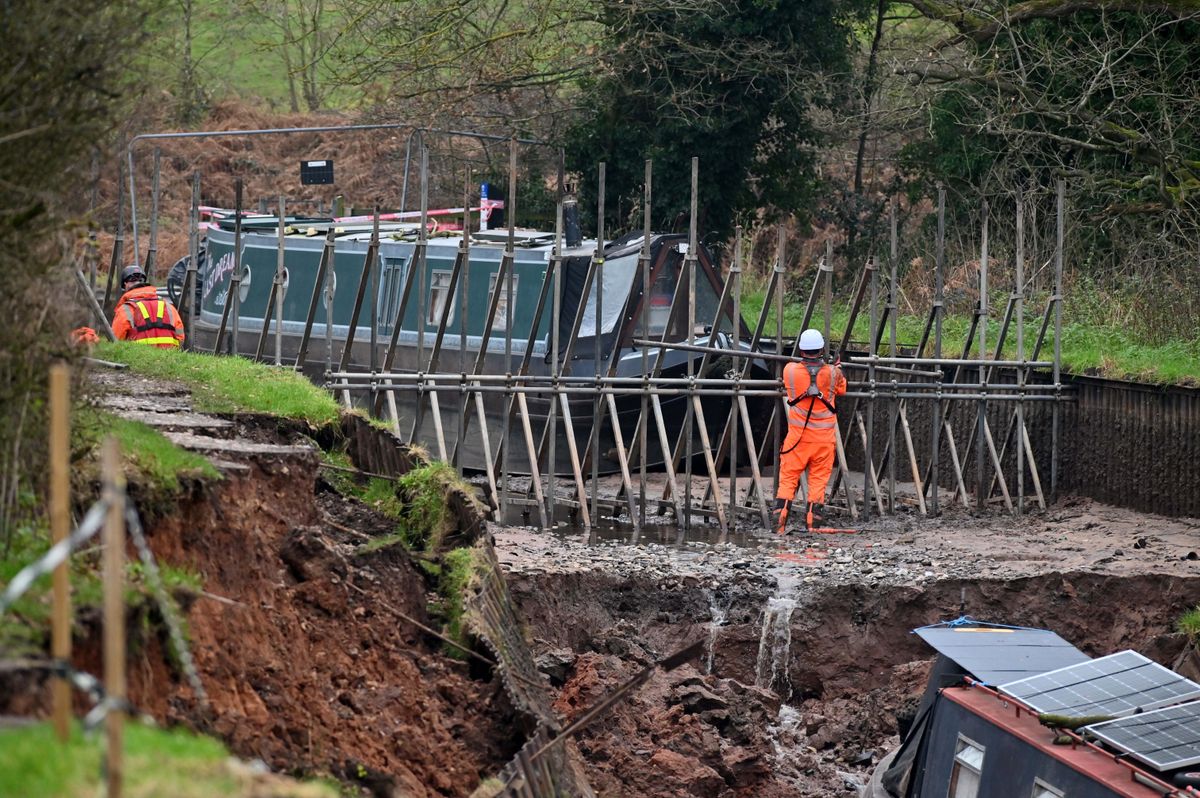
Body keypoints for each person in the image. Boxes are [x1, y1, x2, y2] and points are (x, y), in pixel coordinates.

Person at [775, 328, 847, 533]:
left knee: (788, 478)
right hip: (823, 441)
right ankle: (812, 523)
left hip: (797, 439)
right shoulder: (833, 374)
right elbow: (842, 388)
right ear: (822, 349)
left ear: (801, 349)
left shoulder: (789, 370)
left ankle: (779, 522)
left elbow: (790, 385)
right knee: (817, 481)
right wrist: (838, 367)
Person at [111, 265, 185, 348]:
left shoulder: (125, 309)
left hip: (137, 357)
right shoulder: (168, 306)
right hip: (169, 357)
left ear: (125, 285)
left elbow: (115, 341)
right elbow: (180, 336)